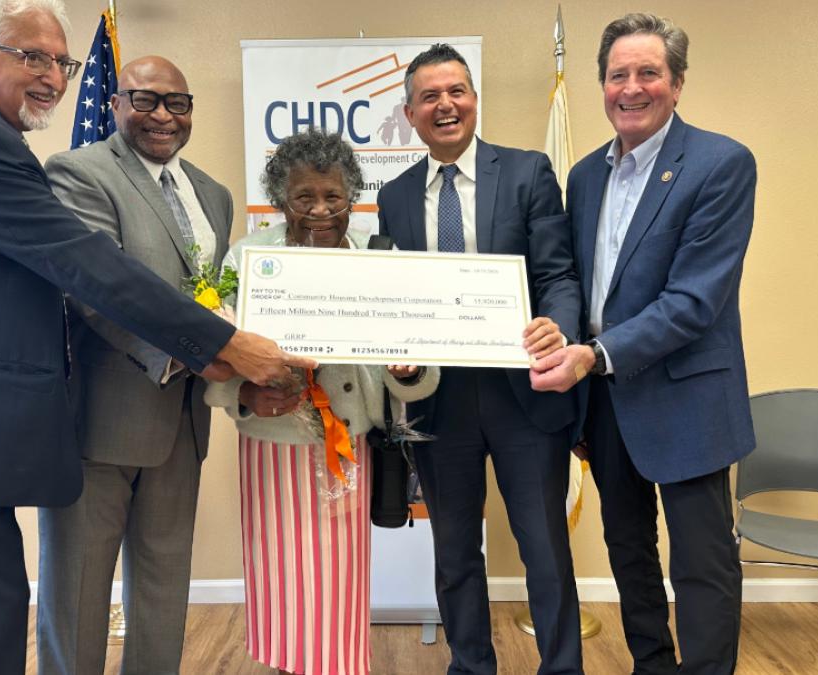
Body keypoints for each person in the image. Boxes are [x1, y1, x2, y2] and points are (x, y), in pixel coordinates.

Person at [0, 2, 312, 673]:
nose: (53, 77)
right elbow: (87, 265)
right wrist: (230, 348)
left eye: (61, 62)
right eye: (31, 56)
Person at [530, 13, 758, 675]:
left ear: (678, 83)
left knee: (701, 563)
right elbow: (575, 286)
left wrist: (593, 356)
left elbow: (694, 301)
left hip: (686, 399)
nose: (631, 88)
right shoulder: (583, 177)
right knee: (629, 551)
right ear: (602, 85)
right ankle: (652, 664)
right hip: (604, 404)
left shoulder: (721, 163)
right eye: (617, 74)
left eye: (648, 73)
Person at [376, 44, 583, 675]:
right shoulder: (395, 195)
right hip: (439, 402)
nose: (446, 105)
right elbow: (397, 302)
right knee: (456, 549)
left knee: (544, 549)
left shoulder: (527, 172)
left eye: (457, 91)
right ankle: (470, 664)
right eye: (430, 96)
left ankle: (563, 667)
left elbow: (560, 276)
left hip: (525, 393)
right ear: (410, 112)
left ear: (474, 99)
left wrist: (560, 330)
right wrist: (399, 358)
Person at [204, 127, 440, 675]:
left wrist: (408, 366)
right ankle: (287, 663)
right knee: (280, 572)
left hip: (347, 440)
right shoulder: (248, 257)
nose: (319, 210)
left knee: (339, 575)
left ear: (352, 195)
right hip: (271, 445)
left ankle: (340, 664)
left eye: (332, 196)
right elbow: (213, 351)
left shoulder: (381, 258)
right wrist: (242, 394)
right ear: (280, 198)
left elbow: (418, 362)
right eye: (303, 197)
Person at [34, 55, 230, 674]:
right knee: (79, 594)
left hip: (186, 421)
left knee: (164, 588)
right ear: (116, 105)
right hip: (102, 423)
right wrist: (192, 356)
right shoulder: (78, 173)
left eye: (177, 103)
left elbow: (218, 300)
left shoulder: (214, 195)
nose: (163, 116)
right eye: (144, 101)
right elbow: (94, 290)